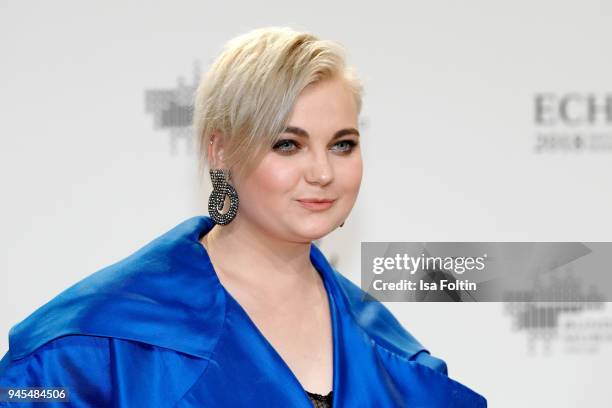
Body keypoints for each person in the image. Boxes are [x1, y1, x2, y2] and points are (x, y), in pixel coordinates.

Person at [0, 27, 486, 407]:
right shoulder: (92, 342)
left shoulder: (400, 361)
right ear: (221, 151)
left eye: (343, 144)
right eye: (287, 144)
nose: (322, 172)